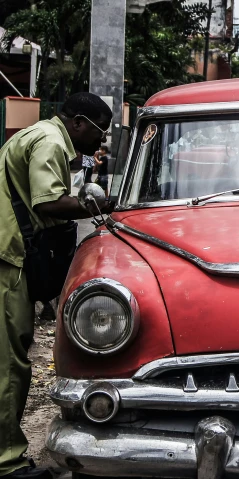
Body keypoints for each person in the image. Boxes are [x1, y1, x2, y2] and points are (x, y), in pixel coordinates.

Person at [0, 92, 112, 479]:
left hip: (8, 254)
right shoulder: (50, 141)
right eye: (99, 134)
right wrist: (104, 206)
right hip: (8, 259)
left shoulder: (41, 135)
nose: (100, 144)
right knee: (8, 364)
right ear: (78, 122)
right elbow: (47, 203)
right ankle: (8, 463)